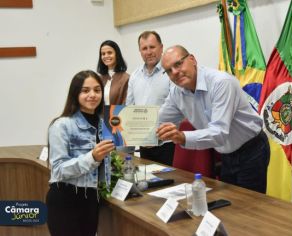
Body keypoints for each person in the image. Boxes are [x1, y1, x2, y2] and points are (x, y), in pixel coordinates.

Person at [157, 45, 270, 193]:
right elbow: (158, 122)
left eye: (178, 64)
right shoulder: (176, 93)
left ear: (192, 59)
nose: (175, 72)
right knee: (230, 204)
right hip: (225, 154)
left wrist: (182, 137)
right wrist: (133, 134)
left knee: (250, 208)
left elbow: (219, 133)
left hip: (251, 149)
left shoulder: (221, 82)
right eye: (169, 71)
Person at [46, 70, 115, 236]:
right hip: (65, 200)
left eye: (97, 90)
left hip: (91, 199)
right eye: (85, 91)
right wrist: (92, 157)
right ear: (75, 93)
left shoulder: (106, 124)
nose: (92, 95)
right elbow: (59, 170)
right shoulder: (61, 125)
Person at [126, 31, 175, 165]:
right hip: (144, 144)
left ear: (161, 47)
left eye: (152, 47)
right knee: (147, 183)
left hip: (168, 143)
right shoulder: (134, 76)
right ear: (140, 51)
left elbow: (177, 107)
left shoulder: (172, 72)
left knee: (169, 183)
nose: (148, 52)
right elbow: (129, 108)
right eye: (144, 48)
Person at [97, 40, 129, 105]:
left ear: (117, 54)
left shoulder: (126, 78)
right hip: (100, 115)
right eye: (103, 54)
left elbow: (126, 103)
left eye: (109, 53)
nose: (106, 56)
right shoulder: (98, 79)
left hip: (117, 114)